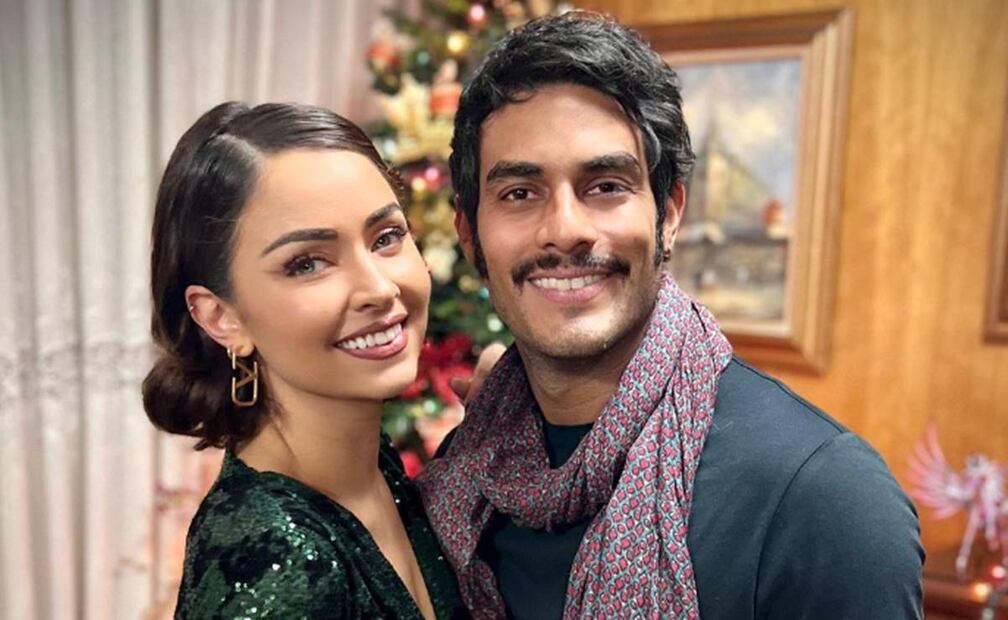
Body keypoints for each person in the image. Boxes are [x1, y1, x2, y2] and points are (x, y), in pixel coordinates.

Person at [419, 11, 924, 620]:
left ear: (670, 213)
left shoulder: (822, 497)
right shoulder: (467, 472)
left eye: (606, 185)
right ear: (469, 233)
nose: (565, 230)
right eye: (519, 193)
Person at [143, 101, 468, 618]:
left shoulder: (370, 469)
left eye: (386, 238)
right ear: (222, 317)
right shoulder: (280, 568)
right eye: (308, 264)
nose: (379, 289)